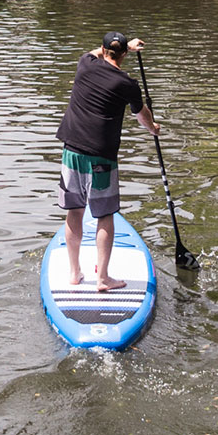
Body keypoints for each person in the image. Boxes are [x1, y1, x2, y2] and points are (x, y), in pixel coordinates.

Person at [55, 31, 159, 291]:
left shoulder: (84, 64)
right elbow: (142, 115)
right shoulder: (127, 84)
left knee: (74, 211)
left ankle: (74, 272)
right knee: (104, 215)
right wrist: (153, 128)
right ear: (124, 55)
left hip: (71, 150)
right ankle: (102, 278)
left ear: (102, 50)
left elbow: (97, 52)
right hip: (101, 155)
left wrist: (117, 48)